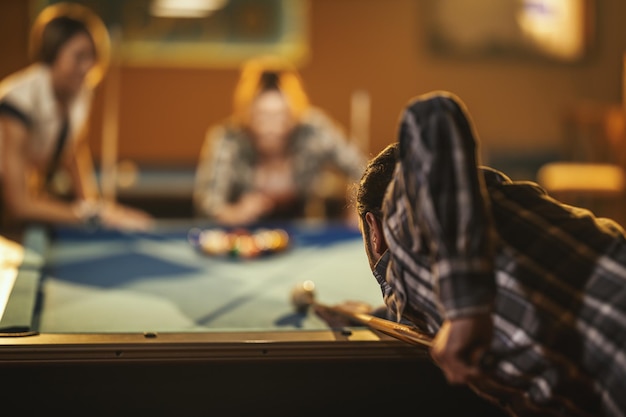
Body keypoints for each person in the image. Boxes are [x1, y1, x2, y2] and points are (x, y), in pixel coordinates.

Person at [355, 91, 626, 417]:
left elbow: (433, 114)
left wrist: (465, 310)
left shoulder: (405, 218)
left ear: (374, 230)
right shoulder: (504, 199)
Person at [0, 3, 153, 237]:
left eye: (92, 56)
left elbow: (72, 152)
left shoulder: (79, 94)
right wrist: (94, 215)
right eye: (79, 56)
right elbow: (19, 205)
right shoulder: (16, 103)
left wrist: (94, 208)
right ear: (51, 54)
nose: (87, 67)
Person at [193, 56, 367, 226]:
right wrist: (235, 213)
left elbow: (361, 168)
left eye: (280, 116)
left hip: (304, 231)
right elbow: (208, 202)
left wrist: (356, 207)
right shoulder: (228, 139)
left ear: (293, 115)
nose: (271, 127)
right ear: (247, 115)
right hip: (244, 235)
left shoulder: (313, 130)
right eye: (262, 116)